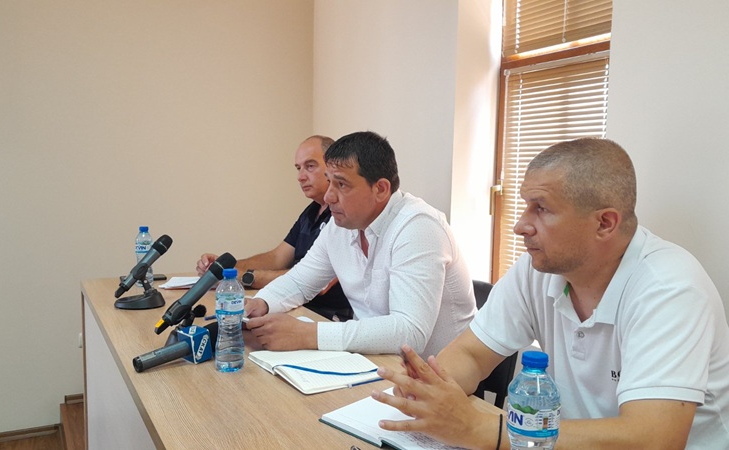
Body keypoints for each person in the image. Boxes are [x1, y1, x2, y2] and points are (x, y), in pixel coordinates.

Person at [372, 138, 729, 449]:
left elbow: (654, 439)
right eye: (526, 205)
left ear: (604, 223)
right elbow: (473, 353)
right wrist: (430, 391)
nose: (520, 225)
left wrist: (481, 429)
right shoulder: (538, 269)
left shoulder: (670, 288)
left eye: (540, 208)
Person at [244, 131, 477, 358]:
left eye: (341, 184)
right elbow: (300, 281)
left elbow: (410, 331)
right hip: (372, 360)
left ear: (380, 189)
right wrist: (262, 302)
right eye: (329, 182)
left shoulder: (418, 227)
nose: (329, 196)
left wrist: (308, 334)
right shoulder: (340, 225)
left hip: (438, 374)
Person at [197, 135, 352, 321]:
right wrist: (226, 268)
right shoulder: (312, 211)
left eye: (310, 166)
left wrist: (243, 277)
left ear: (332, 167)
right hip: (293, 304)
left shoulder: (344, 217)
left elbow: (315, 281)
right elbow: (277, 257)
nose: (301, 177)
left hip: (324, 315)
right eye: (298, 168)